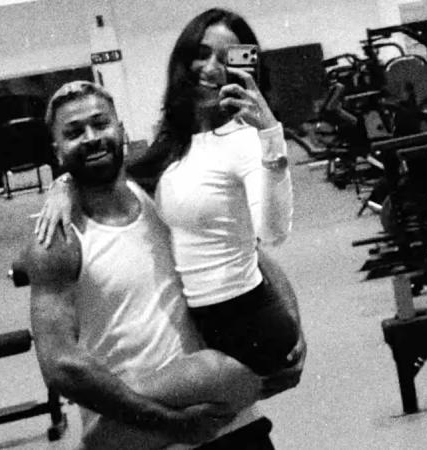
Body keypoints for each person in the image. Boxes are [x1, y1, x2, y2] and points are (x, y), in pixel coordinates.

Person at [21, 80, 304, 449]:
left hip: (228, 422)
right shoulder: (58, 239)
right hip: (145, 432)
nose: (91, 138)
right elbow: (60, 365)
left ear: (121, 131)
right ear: (57, 150)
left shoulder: (163, 192)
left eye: (100, 124)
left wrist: (292, 333)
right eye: (74, 132)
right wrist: (170, 424)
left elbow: (253, 259)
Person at [35, 8, 299, 377]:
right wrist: (63, 183)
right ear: (183, 59)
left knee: (158, 401)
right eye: (201, 54)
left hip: (248, 322)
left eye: (226, 59)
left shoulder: (245, 140)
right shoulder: (175, 143)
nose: (211, 68)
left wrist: (271, 137)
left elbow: (272, 234)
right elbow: (119, 174)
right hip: (207, 325)